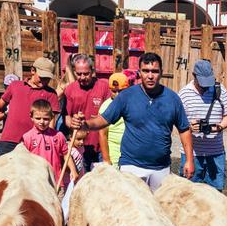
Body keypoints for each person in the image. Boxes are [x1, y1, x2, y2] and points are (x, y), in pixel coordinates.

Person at [71, 52, 194, 191]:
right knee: (130, 210)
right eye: (146, 71)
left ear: (161, 73)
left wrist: (189, 160)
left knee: (159, 209)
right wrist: (85, 124)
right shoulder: (126, 96)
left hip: (161, 168)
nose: (150, 75)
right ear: (139, 73)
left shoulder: (172, 99)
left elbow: (184, 129)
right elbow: (103, 120)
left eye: (154, 71)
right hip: (132, 168)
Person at [178, 59, 227, 191]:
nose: (205, 86)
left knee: (216, 193)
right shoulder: (184, 94)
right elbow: (179, 122)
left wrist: (219, 126)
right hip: (192, 153)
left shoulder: (219, 90)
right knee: (188, 192)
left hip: (216, 152)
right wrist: (189, 127)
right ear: (194, 76)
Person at [0, 57, 59, 157]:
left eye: (47, 78)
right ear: (33, 71)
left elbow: (51, 122)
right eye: (42, 77)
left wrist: (46, 142)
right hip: (9, 140)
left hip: (35, 142)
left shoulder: (51, 93)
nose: (45, 81)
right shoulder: (15, 86)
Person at [61, 55, 110, 170]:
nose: (82, 77)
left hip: (100, 145)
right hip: (79, 145)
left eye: (86, 73)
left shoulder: (104, 87)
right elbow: (66, 116)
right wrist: (71, 124)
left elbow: (109, 115)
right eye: (79, 74)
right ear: (74, 71)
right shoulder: (70, 89)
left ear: (92, 71)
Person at [21, 100, 77, 184]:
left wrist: (73, 170)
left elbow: (66, 154)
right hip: (35, 182)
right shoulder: (27, 137)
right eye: (38, 118)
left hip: (56, 181)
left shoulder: (58, 135)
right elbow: (23, 161)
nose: (42, 122)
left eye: (46, 119)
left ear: (51, 117)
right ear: (31, 117)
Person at [99, 72, 131, 167]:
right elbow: (102, 134)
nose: (117, 94)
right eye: (114, 91)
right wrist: (106, 159)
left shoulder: (133, 103)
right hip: (114, 154)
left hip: (131, 154)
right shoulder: (106, 106)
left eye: (121, 91)